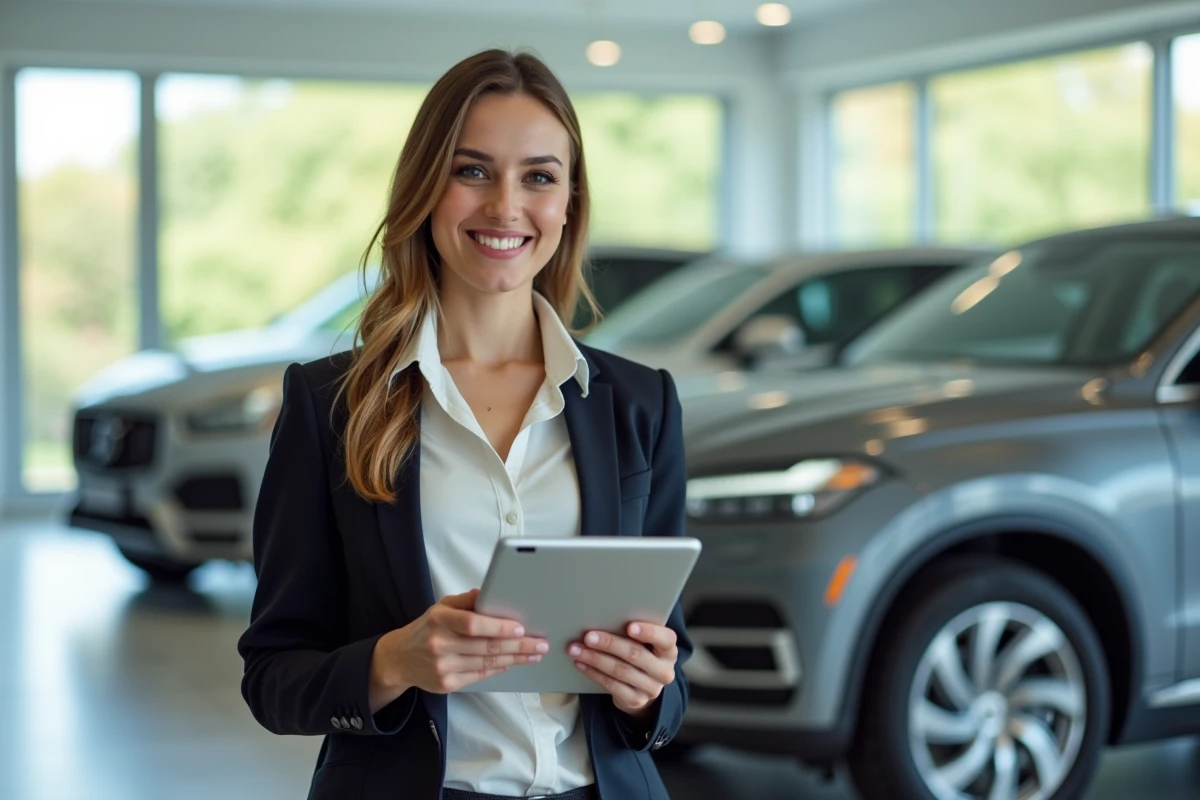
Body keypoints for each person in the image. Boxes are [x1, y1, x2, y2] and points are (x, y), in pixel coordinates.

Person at [237, 49, 691, 800]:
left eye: (538, 177)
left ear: (570, 201)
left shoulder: (640, 405)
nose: (505, 207)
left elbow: (672, 677)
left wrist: (647, 690)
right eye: (472, 170)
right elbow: (274, 678)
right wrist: (395, 661)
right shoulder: (333, 405)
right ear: (425, 187)